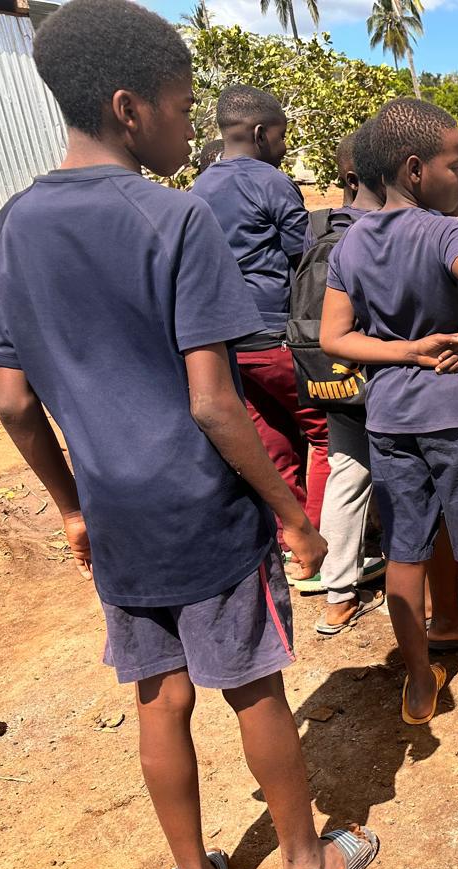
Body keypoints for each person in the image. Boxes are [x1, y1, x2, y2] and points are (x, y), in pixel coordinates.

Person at [0, 0, 377, 869]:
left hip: (117, 514)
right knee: (253, 687)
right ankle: (303, 864)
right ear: (128, 108)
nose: (188, 126)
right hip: (203, 507)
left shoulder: (13, 226)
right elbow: (213, 403)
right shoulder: (174, 219)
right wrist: (292, 513)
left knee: (158, 698)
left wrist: (73, 505)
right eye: (178, 106)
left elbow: (11, 401)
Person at [320, 97, 458, 723]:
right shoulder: (444, 231)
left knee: (405, 552)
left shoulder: (350, 243)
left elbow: (334, 337)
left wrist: (403, 350)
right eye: (457, 166)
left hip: (390, 419)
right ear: (415, 170)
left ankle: (419, 686)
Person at [191, 84, 330, 544]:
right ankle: (322, 539)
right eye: (282, 135)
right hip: (277, 336)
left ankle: (290, 539)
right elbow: (306, 260)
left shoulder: (199, 188)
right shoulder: (270, 181)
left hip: (230, 345)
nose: (284, 146)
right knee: (327, 435)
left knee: (273, 442)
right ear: (260, 134)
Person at [294, 123, 389, 635]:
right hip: (380, 372)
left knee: (346, 474)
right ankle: (417, 587)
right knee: (400, 473)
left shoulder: (317, 225)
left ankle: (337, 595)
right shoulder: (383, 231)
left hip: (329, 375)